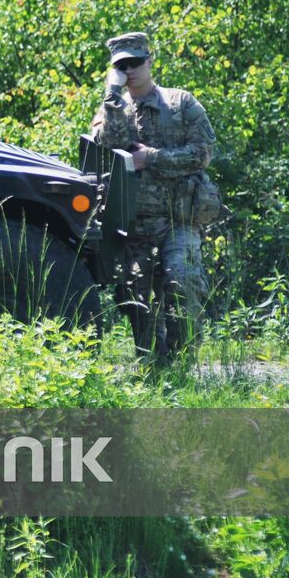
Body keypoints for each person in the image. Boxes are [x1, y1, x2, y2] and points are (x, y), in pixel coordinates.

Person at [91, 32, 217, 365]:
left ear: (149, 60)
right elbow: (106, 143)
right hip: (133, 225)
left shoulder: (180, 103)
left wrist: (154, 158)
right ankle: (154, 365)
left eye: (135, 62)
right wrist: (112, 94)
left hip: (178, 220)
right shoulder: (112, 108)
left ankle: (183, 361)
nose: (129, 70)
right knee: (136, 298)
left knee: (183, 279)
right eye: (121, 65)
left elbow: (202, 153)